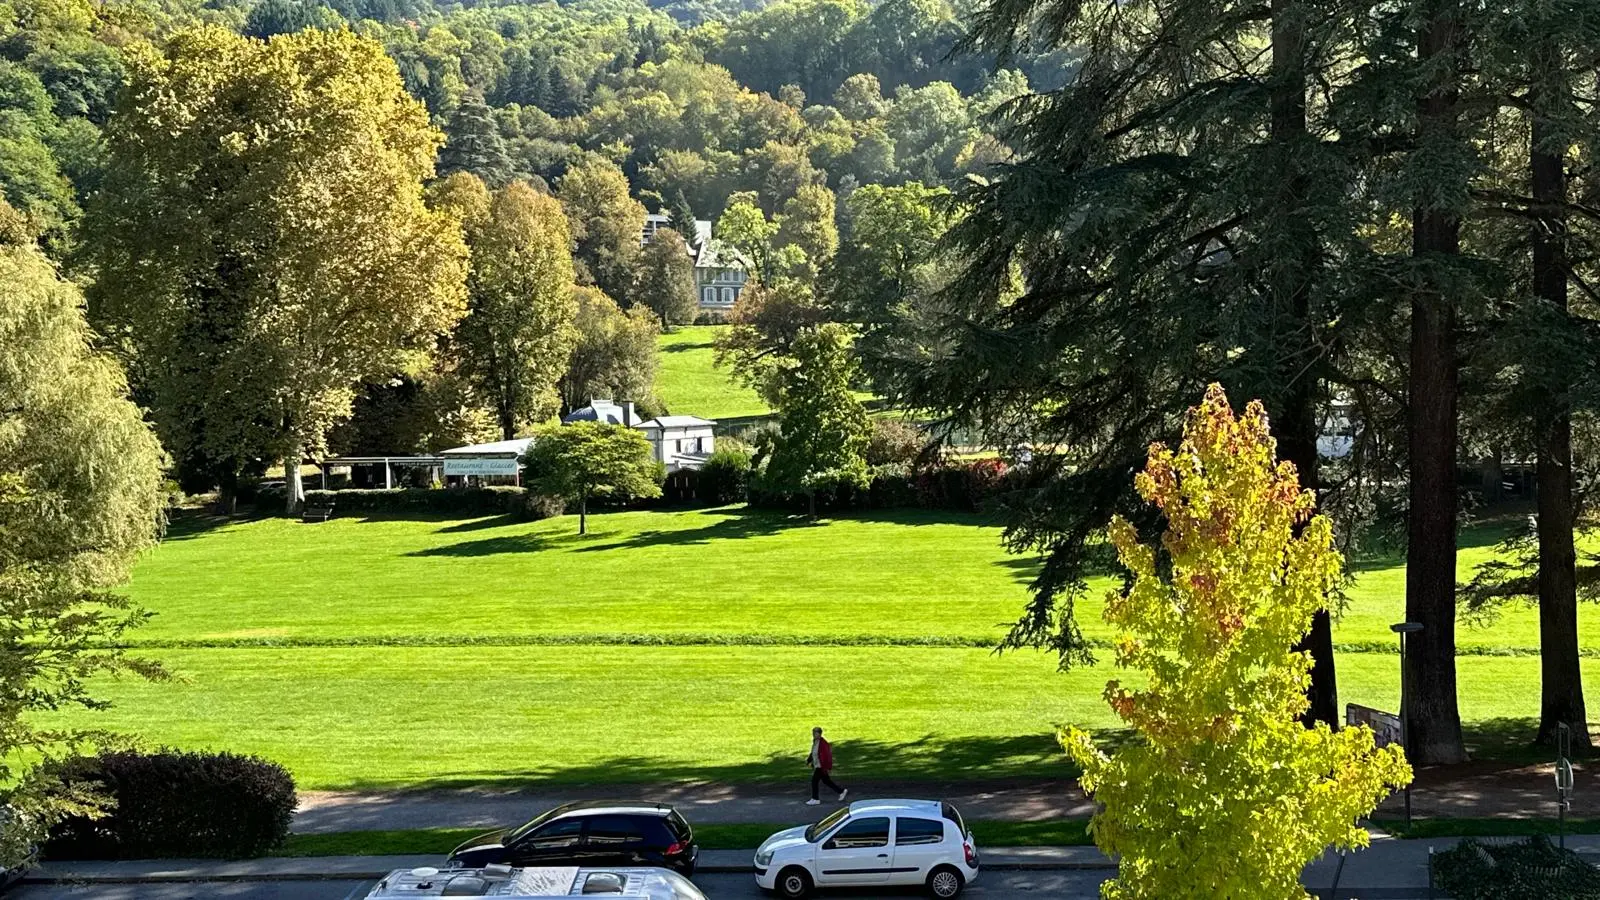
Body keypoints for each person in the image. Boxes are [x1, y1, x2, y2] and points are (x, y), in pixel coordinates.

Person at [806, 726, 848, 805]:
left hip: (821, 766)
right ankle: (841, 791)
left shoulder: (823, 744)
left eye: (816, 733)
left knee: (814, 781)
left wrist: (828, 767)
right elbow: (813, 752)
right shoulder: (815, 741)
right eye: (813, 733)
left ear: (820, 734)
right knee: (826, 781)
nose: (814, 735)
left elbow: (827, 756)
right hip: (818, 765)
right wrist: (809, 760)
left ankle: (815, 799)